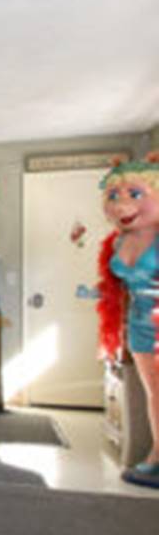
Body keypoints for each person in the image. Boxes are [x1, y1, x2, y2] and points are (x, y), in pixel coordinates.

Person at [97, 153, 159, 482]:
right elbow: (115, 289)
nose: (121, 206)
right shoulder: (118, 241)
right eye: (113, 196)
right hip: (137, 324)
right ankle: (157, 454)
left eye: (134, 195)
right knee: (155, 394)